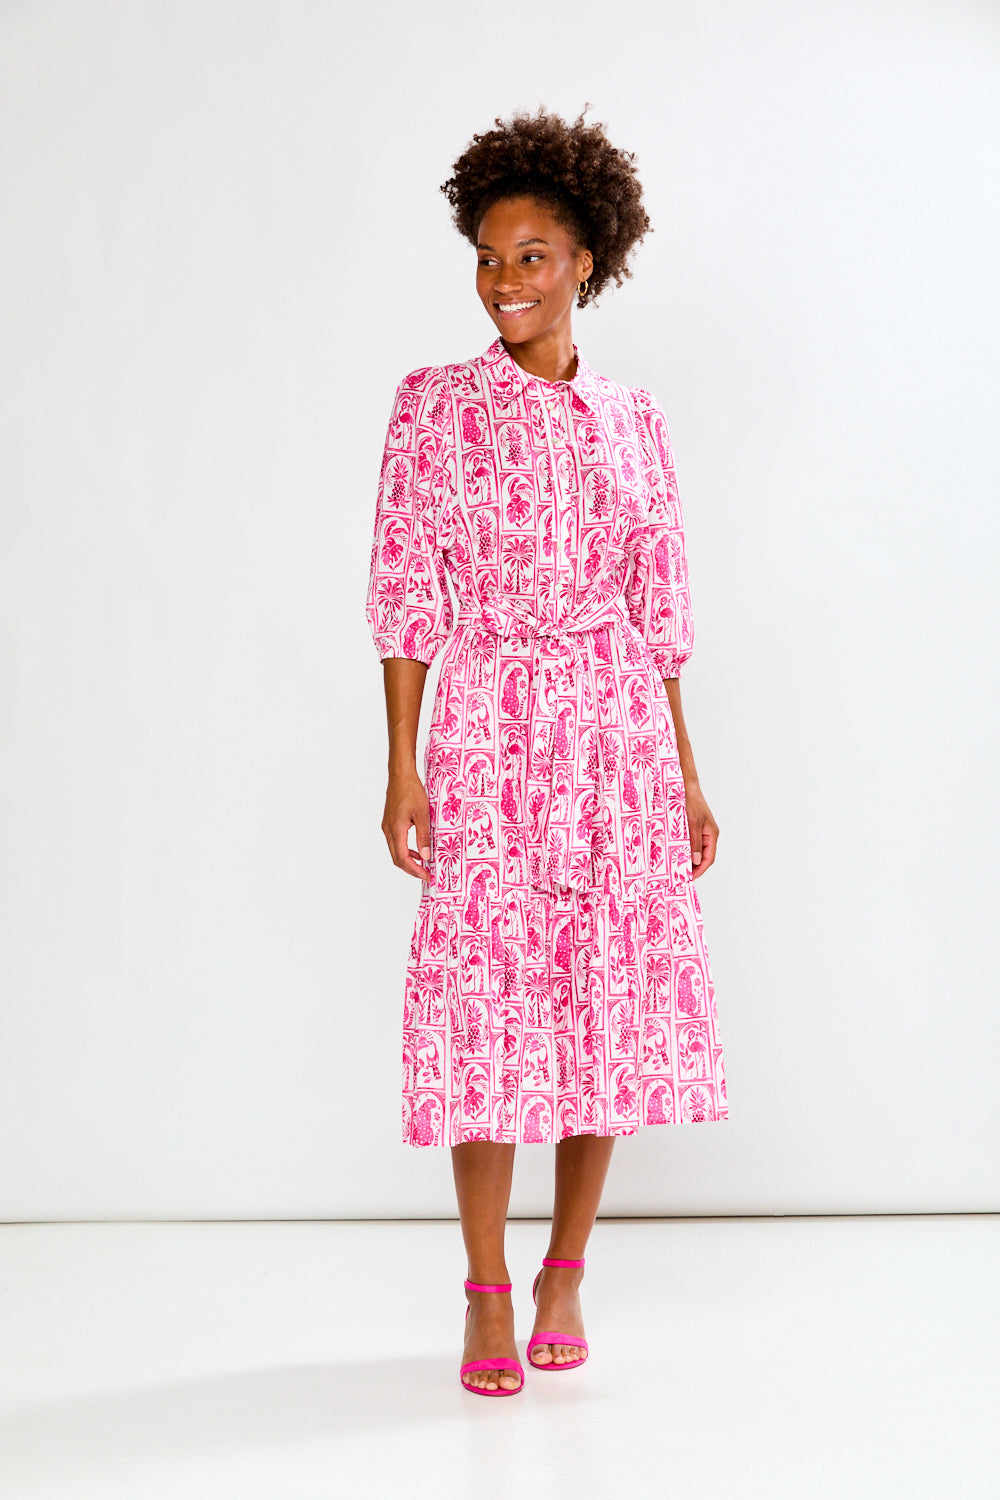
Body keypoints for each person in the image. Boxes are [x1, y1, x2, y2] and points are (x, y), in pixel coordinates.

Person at [365, 106, 728, 1397]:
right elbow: (404, 592)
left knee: (603, 1002)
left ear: (586, 258)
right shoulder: (434, 409)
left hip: (617, 730)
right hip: (491, 724)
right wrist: (404, 765)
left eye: (531, 254)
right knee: (484, 1003)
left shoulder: (636, 420)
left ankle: (566, 1268)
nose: (503, 280)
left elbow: (661, 610)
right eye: (486, 254)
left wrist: (682, 773)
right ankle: (480, 1285)